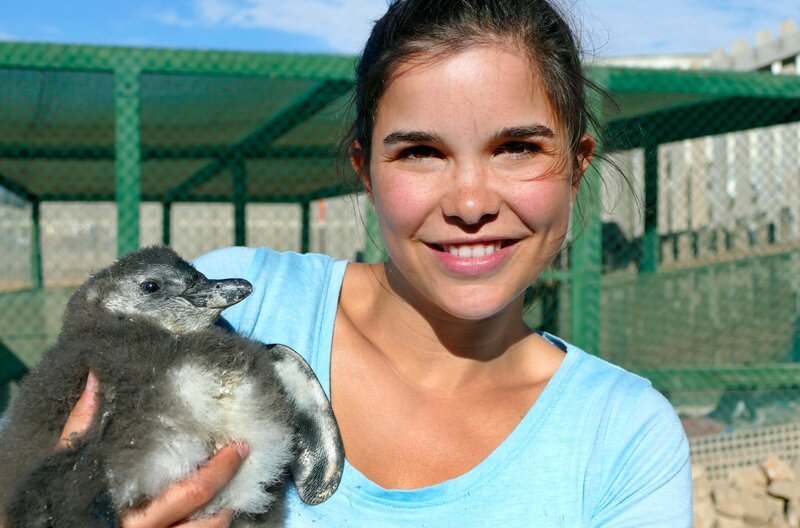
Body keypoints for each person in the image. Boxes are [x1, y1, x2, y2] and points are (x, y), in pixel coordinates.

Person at [56, 0, 692, 525]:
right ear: (367, 171)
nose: (470, 203)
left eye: (518, 147)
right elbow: (35, 469)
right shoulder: (236, 308)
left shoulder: (624, 439)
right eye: (420, 152)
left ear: (577, 166)